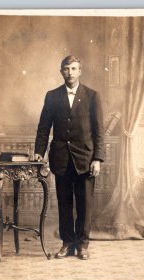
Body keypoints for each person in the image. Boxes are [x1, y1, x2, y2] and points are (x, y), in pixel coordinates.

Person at [34, 55, 104, 260]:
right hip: (61, 159)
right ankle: (67, 243)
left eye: (74, 69)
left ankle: (82, 245)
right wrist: (39, 151)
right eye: (66, 69)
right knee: (64, 203)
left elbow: (99, 131)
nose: (70, 73)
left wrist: (97, 158)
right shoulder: (52, 96)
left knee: (85, 204)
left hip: (86, 160)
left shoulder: (92, 96)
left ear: (80, 71)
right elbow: (43, 128)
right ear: (61, 71)